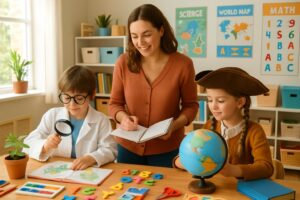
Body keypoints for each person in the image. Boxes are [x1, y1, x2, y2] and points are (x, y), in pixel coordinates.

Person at [108, 4, 198, 167]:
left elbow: (191, 106)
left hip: (168, 149)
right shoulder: (123, 62)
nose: (140, 42)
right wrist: (124, 119)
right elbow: (114, 104)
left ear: (161, 31)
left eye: (146, 35)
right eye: (134, 36)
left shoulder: (183, 65)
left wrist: (174, 125)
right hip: (128, 148)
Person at [174, 67, 274, 180]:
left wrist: (233, 170)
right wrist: (181, 160)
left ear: (240, 102)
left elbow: (266, 168)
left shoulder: (254, 131)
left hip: (240, 191)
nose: (213, 106)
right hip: (217, 189)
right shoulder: (208, 126)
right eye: (210, 100)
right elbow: (195, 149)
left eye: (221, 101)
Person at [24, 65, 117, 170]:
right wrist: (45, 146)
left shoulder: (101, 120)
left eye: (79, 98)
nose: (72, 104)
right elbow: (28, 144)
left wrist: (91, 158)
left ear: (92, 95)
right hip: (58, 171)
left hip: (87, 172)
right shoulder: (52, 115)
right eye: (67, 97)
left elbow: (110, 149)